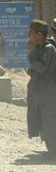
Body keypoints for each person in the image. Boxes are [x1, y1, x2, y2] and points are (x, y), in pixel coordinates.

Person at [26, 20, 56, 155]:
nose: (29, 35)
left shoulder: (49, 49)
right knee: (42, 119)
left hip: (48, 91)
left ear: (39, 34)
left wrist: (32, 52)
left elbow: (42, 67)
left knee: (49, 120)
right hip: (41, 91)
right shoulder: (40, 47)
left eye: (31, 32)